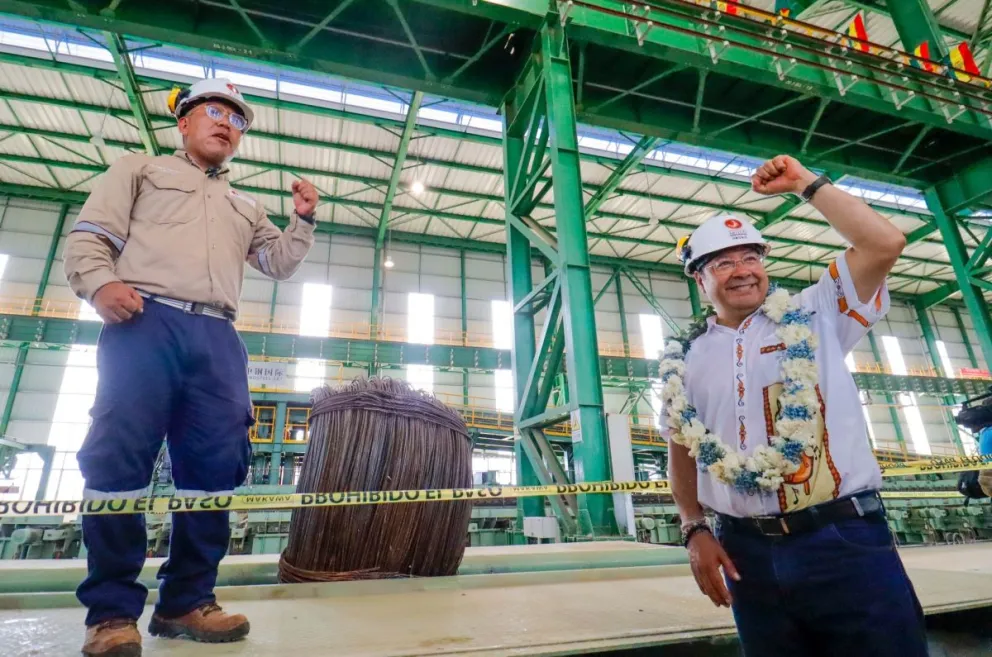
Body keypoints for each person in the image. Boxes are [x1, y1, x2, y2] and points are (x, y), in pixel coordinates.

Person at [64, 78, 318, 657]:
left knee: (217, 466)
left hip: (216, 336)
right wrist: (100, 284)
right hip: (143, 322)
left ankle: (186, 601)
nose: (227, 122)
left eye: (237, 118)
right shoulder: (139, 170)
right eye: (214, 110)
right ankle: (110, 615)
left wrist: (302, 219)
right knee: (118, 457)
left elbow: (277, 263)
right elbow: (90, 236)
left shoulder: (244, 205)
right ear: (183, 121)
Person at [665, 155, 928, 656]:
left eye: (751, 257)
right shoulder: (686, 359)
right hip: (745, 552)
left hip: (843, 540)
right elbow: (681, 442)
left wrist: (806, 185)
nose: (743, 271)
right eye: (723, 262)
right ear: (699, 279)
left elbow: (884, 243)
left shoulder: (816, 314)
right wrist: (693, 526)